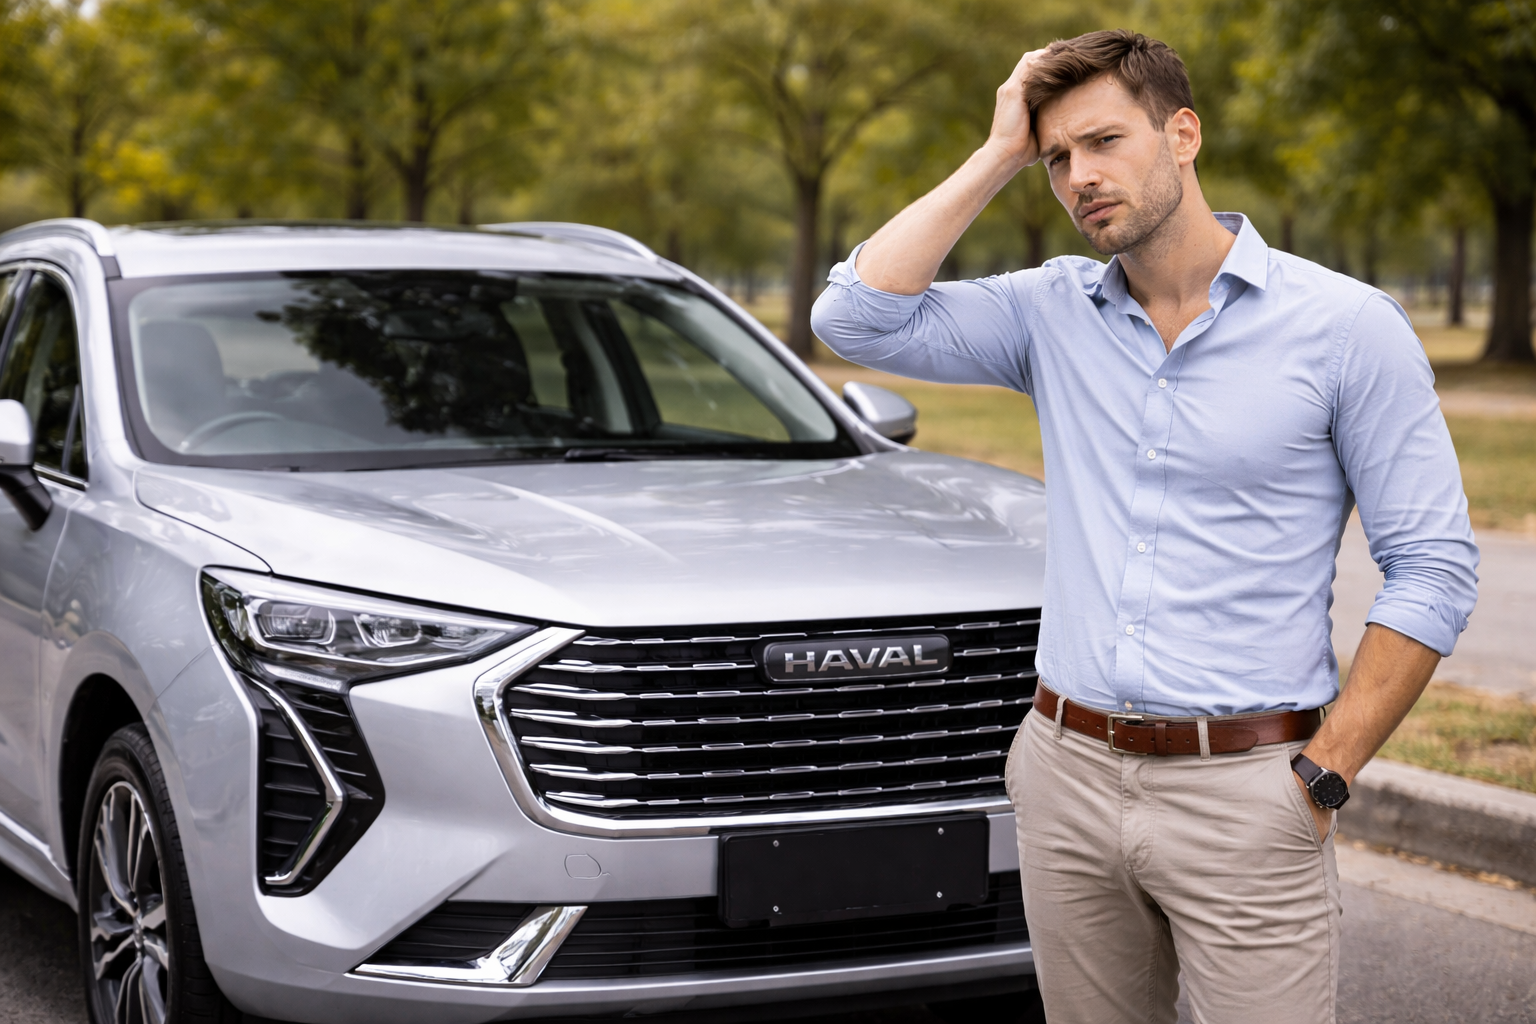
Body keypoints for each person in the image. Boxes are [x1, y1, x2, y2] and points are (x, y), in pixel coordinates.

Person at [810, 28, 1478, 1024]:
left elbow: (1433, 569)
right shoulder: (1048, 312)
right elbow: (855, 317)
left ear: (1183, 134)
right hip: (1066, 773)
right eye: (1058, 159)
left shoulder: (1346, 327)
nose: (1081, 176)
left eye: (1105, 142)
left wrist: (1324, 775)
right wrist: (999, 150)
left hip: (1251, 790)